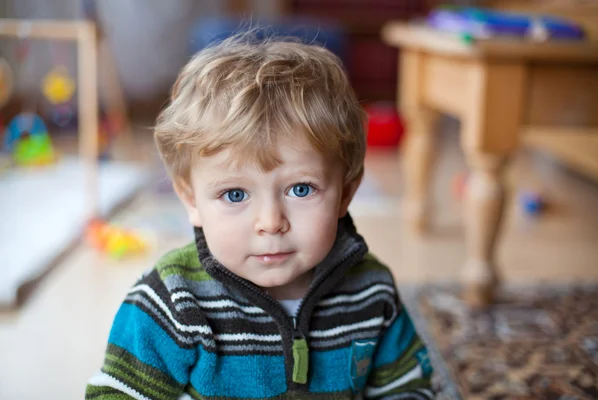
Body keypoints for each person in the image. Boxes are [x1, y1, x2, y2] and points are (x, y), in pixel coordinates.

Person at [86, 32, 435, 399]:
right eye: (235, 194)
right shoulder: (171, 301)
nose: (270, 222)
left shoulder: (371, 291)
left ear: (346, 191)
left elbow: (408, 387)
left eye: (301, 189)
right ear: (191, 201)